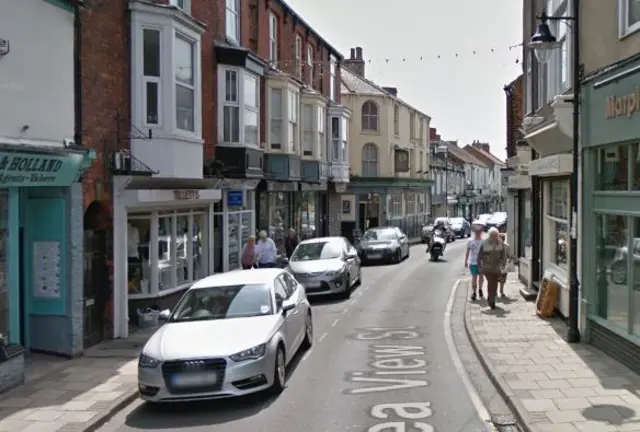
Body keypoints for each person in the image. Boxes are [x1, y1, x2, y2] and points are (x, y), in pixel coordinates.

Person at [477, 227, 508, 309]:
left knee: (495, 283)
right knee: (490, 281)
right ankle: (491, 298)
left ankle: (492, 296)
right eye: (492, 236)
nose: (494, 237)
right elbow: (479, 256)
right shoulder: (484, 244)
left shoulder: (500, 243)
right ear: (489, 236)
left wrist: (503, 265)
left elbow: (504, 256)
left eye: (496, 235)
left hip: (497, 267)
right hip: (487, 267)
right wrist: (479, 266)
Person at [465, 225, 485, 300]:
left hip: (482, 263)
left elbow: (486, 252)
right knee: (474, 277)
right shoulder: (470, 241)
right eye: (477, 232)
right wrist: (466, 261)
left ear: (481, 232)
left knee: (481, 277)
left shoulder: (483, 241)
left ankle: (480, 289)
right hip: (473, 262)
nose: (478, 233)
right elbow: (467, 252)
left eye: (479, 232)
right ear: (474, 232)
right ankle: (474, 292)